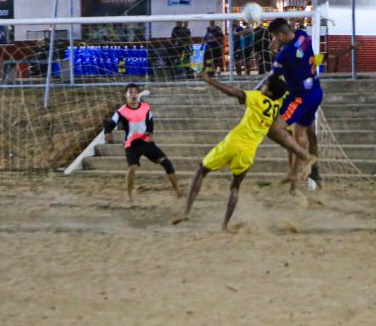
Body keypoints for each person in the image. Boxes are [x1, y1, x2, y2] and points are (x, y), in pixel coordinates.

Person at [172, 71, 316, 231]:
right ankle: (225, 225)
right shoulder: (278, 104)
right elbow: (285, 92)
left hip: (232, 144)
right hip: (248, 153)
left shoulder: (256, 97)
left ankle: (186, 212)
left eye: (265, 85)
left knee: (201, 171)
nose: (262, 86)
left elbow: (233, 92)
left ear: (268, 91)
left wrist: (209, 80)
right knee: (235, 187)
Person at [265, 18, 323, 190]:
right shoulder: (303, 36)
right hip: (315, 92)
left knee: (276, 130)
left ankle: (304, 162)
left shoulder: (285, 54)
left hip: (300, 98)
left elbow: (274, 77)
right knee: (307, 134)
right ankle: (314, 174)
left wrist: (274, 52)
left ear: (280, 34)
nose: (274, 40)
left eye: (275, 37)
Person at [104, 83, 182, 202]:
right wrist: (107, 133)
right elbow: (110, 124)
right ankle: (129, 195)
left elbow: (150, 121)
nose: (133, 95)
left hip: (146, 142)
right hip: (132, 144)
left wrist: (150, 133)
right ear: (126, 95)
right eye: (130, 92)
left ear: (138, 94)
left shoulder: (145, 107)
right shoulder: (121, 111)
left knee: (167, 163)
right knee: (132, 168)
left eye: (135, 92)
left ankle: (177, 189)